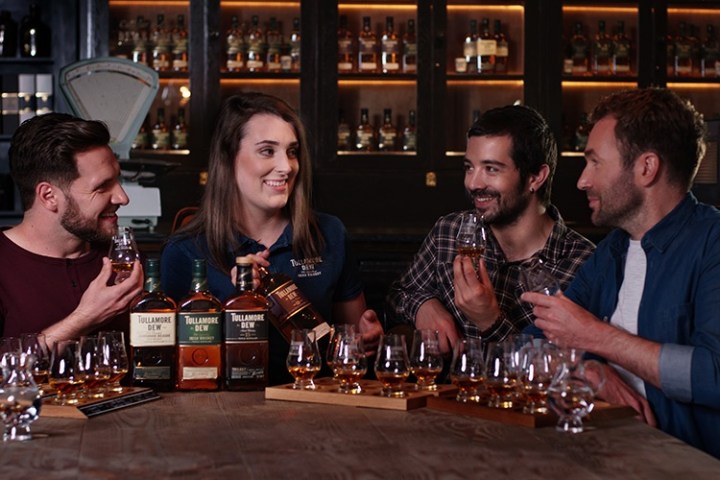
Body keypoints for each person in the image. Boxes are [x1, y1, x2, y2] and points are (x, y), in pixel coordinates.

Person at [522, 87, 720, 459]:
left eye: (595, 162)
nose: (582, 180)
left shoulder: (713, 243)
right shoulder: (611, 251)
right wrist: (590, 369)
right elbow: (530, 344)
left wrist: (598, 337)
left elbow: (715, 374)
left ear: (646, 168)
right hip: (606, 456)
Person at [161, 92, 383, 385]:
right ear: (228, 158)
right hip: (221, 415)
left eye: (292, 151)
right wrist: (237, 303)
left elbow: (352, 345)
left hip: (316, 405)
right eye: (267, 151)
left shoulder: (329, 234)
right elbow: (173, 368)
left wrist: (367, 342)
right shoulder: (185, 252)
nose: (286, 166)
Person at [386, 105, 595, 353]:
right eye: (469, 167)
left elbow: (563, 372)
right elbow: (398, 296)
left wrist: (490, 321)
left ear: (536, 177)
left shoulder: (584, 264)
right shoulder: (450, 232)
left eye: (491, 169)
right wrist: (423, 305)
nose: (473, 183)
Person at [0, 113, 143, 345]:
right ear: (49, 196)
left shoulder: (123, 258)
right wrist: (84, 319)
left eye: (117, 181)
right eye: (101, 187)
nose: (122, 198)